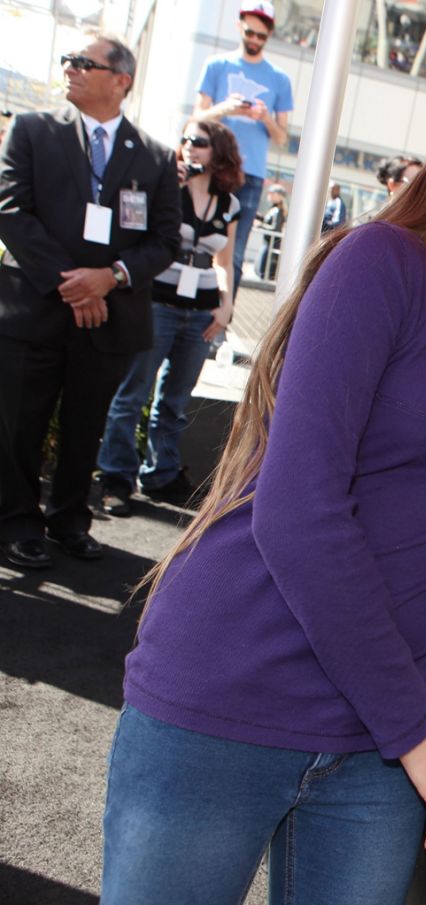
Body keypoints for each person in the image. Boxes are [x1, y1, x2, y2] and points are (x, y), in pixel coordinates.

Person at [99, 61, 426, 904]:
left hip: (379, 723)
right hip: (233, 684)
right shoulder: (380, 264)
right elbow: (300, 515)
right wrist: (417, 730)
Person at [0, 34, 181, 569]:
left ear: (121, 80)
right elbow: (11, 211)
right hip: (34, 309)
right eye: (68, 61)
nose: (70, 70)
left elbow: (165, 240)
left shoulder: (153, 156)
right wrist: (74, 282)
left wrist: (111, 277)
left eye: (84, 63)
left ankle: (69, 520)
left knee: (85, 427)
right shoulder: (33, 130)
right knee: (20, 424)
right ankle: (17, 523)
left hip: (109, 316)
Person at [96, 119, 242, 516]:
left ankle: (161, 474)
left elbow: (224, 260)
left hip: (202, 311)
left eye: (200, 141)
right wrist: (165, 184)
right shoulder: (165, 186)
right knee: (133, 393)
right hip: (155, 303)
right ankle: (115, 477)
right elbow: (135, 233)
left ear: (220, 151)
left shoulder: (229, 202)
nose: (190, 147)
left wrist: (226, 304)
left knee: (176, 399)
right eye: (186, 140)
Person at [193, 0, 293, 299]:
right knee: (196, 240)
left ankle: (221, 319)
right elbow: (197, 116)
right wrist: (226, 108)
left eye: (261, 36)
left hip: (249, 175)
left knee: (233, 253)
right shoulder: (217, 65)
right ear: (239, 26)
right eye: (250, 32)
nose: (254, 40)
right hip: (211, 168)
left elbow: (282, 138)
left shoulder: (279, 79)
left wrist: (265, 117)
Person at [255, 182, 286, 279]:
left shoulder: (278, 211)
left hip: (270, 245)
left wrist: (260, 226)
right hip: (267, 244)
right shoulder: (274, 209)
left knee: (263, 273)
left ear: (279, 196)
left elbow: (275, 229)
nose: (269, 195)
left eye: (272, 193)